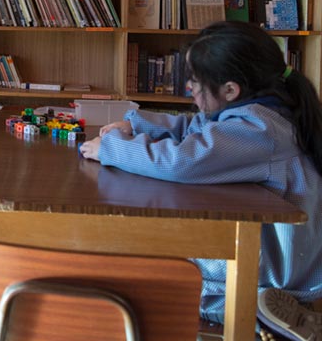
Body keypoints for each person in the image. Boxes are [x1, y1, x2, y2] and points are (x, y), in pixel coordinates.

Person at [79, 21, 322, 328]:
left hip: (278, 266)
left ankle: (261, 311)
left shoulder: (259, 130)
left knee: (161, 271)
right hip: (278, 254)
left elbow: (182, 161)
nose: (188, 89)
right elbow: (197, 130)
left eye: (195, 82)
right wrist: (137, 125)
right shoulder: (261, 111)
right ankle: (261, 306)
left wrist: (110, 148)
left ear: (231, 90)